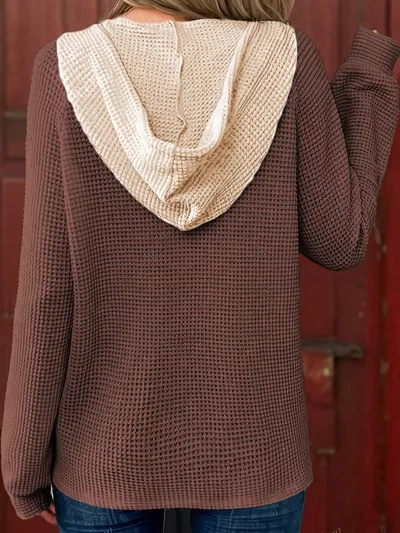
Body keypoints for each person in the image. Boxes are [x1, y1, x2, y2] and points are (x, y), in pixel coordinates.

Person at [1, 1, 399, 532]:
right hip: (254, 447)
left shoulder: (66, 66)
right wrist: (367, 72)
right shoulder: (285, 57)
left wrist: (24, 460)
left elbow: (47, 294)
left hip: (105, 448)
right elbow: (340, 240)